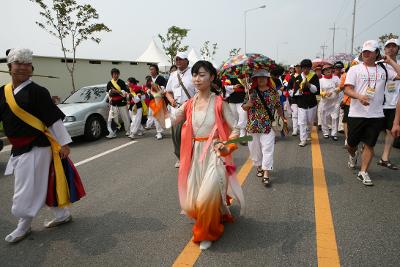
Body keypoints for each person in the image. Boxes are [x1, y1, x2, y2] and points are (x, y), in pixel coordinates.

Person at [0, 49, 73, 243]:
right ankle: (62, 215)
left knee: (26, 188)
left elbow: (53, 120)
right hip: (17, 148)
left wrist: (64, 143)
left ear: (31, 68)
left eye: (27, 64)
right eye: (18, 63)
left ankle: (22, 226)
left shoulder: (39, 91)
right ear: (9, 67)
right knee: (41, 184)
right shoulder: (3, 92)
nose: (23, 67)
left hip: (37, 147)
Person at [174, 60, 244, 250]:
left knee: (205, 197)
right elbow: (170, 121)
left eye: (202, 74)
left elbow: (236, 131)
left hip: (215, 154)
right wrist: (158, 101)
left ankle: (207, 233)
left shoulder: (220, 103)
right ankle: (211, 217)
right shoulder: (189, 104)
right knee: (193, 201)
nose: (197, 79)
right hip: (194, 156)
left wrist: (226, 145)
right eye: (195, 75)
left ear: (212, 77)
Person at [344, 40, 400, 186]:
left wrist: (391, 62)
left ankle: (363, 172)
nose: (367, 54)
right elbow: (347, 89)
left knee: (370, 144)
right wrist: (359, 96)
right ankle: (352, 155)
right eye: (365, 51)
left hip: (376, 114)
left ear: (377, 53)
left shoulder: (384, 70)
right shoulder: (355, 69)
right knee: (351, 144)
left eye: (370, 51)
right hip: (356, 114)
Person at [242, 69, 285, 186]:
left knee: (267, 149)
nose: (261, 79)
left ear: (267, 79)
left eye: (264, 77)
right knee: (254, 149)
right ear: (255, 79)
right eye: (258, 77)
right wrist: (248, 105)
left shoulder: (273, 92)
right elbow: (244, 107)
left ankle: (266, 173)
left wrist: (283, 118)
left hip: (267, 125)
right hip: (253, 125)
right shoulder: (251, 92)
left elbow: (278, 106)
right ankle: (259, 166)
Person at [166, 52, 196, 168]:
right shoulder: (173, 75)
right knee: (176, 135)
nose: (178, 61)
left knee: (190, 134)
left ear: (187, 61)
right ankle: (179, 156)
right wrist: (171, 100)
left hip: (191, 108)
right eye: (176, 59)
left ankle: (191, 156)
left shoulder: (193, 73)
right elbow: (168, 91)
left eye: (181, 59)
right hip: (177, 109)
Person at [377, 39, 400, 170]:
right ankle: (366, 147)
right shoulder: (379, 64)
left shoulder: (397, 64)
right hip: (379, 104)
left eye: (394, 46)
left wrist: (391, 61)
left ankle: (384, 158)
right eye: (388, 46)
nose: (391, 49)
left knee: (391, 131)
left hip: (394, 105)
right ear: (384, 49)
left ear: (398, 49)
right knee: (372, 132)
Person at [288, 59, 320, 147]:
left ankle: (308, 133)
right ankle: (303, 139)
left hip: (312, 102)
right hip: (301, 102)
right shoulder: (298, 78)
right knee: (302, 122)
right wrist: (300, 90)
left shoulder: (314, 77)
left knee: (310, 122)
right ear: (301, 68)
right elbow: (294, 92)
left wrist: (309, 85)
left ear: (310, 68)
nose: (306, 70)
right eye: (304, 68)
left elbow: (316, 90)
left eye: (308, 68)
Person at [106, 68, 130, 138]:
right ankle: (112, 132)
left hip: (122, 102)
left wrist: (117, 91)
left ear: (119, 74)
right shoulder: (109, 83)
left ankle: (128, 130)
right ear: (112, 75)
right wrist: (110, 93)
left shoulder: (122, 82)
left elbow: (125, 93)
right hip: (113, 103)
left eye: (117, 74)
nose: (115, 75)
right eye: (114, 74)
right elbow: (107, 93)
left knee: (125, 117)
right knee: (112, 118)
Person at [319, 64, 341, 140]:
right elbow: (320, 92)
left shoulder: (336, 78)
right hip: (325, 102)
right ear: (323, 72)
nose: (328, 70)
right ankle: (325, 132)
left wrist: (336, 89)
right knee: (324, 117)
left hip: (335, 101)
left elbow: (340, 87)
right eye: (326, 69)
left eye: (329, 69)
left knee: (335, 117)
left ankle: (334, 134)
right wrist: (325, 94)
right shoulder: (321, 80)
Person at [223, 77, 248, 142]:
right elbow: (225, 87)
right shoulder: (229, 78)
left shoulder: (245, 76)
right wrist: (233, 87)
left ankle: (242, 136)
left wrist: (246, 84)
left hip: (242, 101)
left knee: (243, 118)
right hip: (232, 101)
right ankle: (237, 134)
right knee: (235, 119)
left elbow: (248, 90)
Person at [288, 64, 301, 136]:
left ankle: (301, 129)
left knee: (301, 115)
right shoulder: (293, 77)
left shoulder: (304, 76)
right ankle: (295, 129)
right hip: (294, 99)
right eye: (296, 67)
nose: (298, 69)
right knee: (295, 114)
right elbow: (288, 87)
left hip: (302, 99)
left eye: (299, 67)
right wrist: (291, 92)